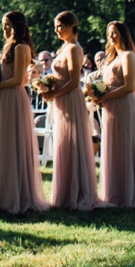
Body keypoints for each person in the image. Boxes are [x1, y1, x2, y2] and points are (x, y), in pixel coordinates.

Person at [0, 11, 48, 214]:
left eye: (7, 25)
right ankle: (5, 194)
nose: (4, 29)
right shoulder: (8, 47)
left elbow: (19, 80)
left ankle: (20, 195)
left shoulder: (22, 48)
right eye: (3, 24)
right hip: (5, 98)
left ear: (16, 26)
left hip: (14, 97)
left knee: (15, 142)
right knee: (5, 143)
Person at [41, 11, 98, 210]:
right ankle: (64, 192)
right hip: (61, 100)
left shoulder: (74, 49)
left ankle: (77, 192)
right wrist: (46, 86)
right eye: (55, 26)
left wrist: (54, 94)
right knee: (63, 143)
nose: (57, 30)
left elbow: (74, 82)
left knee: (72, 143)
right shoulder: (64, 48)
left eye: (60, 26)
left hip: (71, 100)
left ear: (72, 25)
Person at [93, 21, 135, 208]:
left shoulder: (128, 56)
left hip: (123, 105)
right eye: (109, 33)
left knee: (124, 145)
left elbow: (128, 87)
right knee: (112, 146)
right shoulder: (112, 57)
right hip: (110, 106)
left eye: (115, 33)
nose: (112, 37)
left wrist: (105, 95)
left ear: (123, 34)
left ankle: (128, 193)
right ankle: (113, 191)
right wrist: (97, 92)